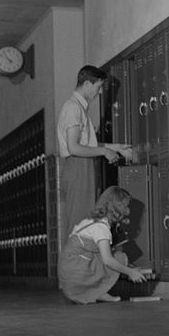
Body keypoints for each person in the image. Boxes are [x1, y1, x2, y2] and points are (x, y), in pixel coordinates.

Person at [56, 65, 134, 236]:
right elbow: (74, 147)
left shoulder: (78, 108)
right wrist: (105, 152)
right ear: (87, 85)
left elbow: (88, 144)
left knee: (86, 223)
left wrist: (116, 148)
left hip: (83, 167)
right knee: (79, 226)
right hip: (78, 168)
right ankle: (72, 263)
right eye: (98, 87)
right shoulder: (73, 108)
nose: (99, 93)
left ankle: (82, 262)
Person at [58, 186, 147, 304]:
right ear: (117, 208)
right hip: (75, 274)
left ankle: (97, 293)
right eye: (126, 206)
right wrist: (130, 273)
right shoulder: (102, 228)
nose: (128, 210)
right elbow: (108, 260)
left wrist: (130, 269)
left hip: (69, 271)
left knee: (114, 256)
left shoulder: (93, 220)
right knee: (119, 257)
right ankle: (97, 292)